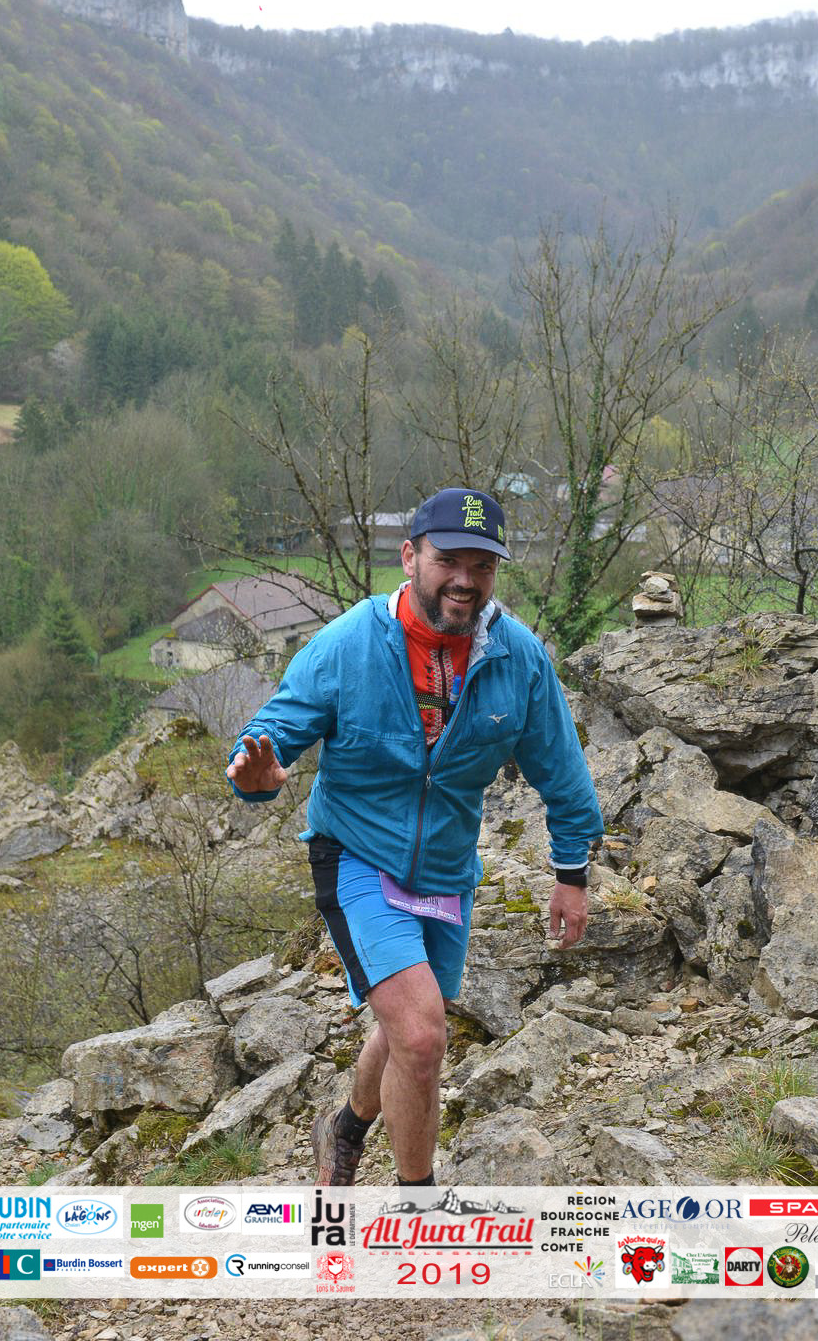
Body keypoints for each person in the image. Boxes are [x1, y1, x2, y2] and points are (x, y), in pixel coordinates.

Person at [226, 487, 603, 1187]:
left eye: (482, 566)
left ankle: (345, 1129)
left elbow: (564, 773)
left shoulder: (518, 658)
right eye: (446, 560)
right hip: (355, 853)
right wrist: (257, 776)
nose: (464, 579)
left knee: (409, 1029)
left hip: (447, 867)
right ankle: (417, 1207)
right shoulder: (347, 645)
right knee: (424, 1034)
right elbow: (270, 737)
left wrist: (571, 874)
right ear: (409, 557)